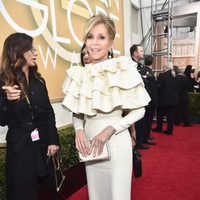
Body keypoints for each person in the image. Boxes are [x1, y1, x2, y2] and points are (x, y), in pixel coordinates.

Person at [62, 14, 150, 200]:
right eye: (90, 36)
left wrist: (110, 129)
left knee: (117, 195)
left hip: (116, 144)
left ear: (111, 42)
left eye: (101, 37)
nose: (94, 43)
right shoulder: (80, 74)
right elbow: (78, 113)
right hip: (91, 148)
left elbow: (139, 110)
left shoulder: (121, 69)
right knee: (96, 195)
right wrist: (79, 130)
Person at [0, 33, 60, 200]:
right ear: (19, 51)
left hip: (43, 147)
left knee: (49, 192)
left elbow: (49, 112)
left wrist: (53, 140)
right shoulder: (3, 81)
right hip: (20, 150)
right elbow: (2, 120)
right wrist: (7, 101)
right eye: (31, 49)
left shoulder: (38, 81)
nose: (35, 53)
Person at [130, 44, 150, 150]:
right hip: (134, 100)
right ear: (135, 53)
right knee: (136, 123)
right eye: (141, 51)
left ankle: (140, 142)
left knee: (142, 122)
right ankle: (136, 144)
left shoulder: (139, 66)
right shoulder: (130, 65)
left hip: (141, 99)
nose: (143, 53)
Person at [152, 62, 179, 135]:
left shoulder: (162, 75)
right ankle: (169, 130)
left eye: (163, 66)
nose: (162, 68)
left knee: (160, 115)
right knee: (171, 116)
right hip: (174, 99)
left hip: (164, 99)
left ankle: (159, 128)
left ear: (165, 67)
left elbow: (159, 87)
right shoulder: (175, 75)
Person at [142, 55, 157, 145]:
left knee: (147, 120)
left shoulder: (145, 71)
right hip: (149, 100)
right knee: (147, 120)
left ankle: (146, 136)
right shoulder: (149, 73)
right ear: (152, 62)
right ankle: (145, 137)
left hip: (148, 99)